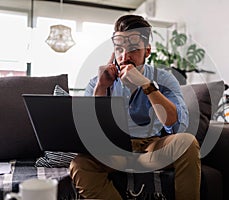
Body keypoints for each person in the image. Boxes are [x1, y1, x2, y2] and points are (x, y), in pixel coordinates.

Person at [69, 14, 201, 200]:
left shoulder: (164, 79)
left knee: (187, 143)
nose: (125, 56)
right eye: (119, 49)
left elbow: (177, 125)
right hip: (113, 150)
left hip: (151, 146)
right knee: (79, 164)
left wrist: (147, 85)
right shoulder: (99, 81)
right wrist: (101, 88)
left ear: (147, 51)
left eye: (133, 49)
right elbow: (89, 131)